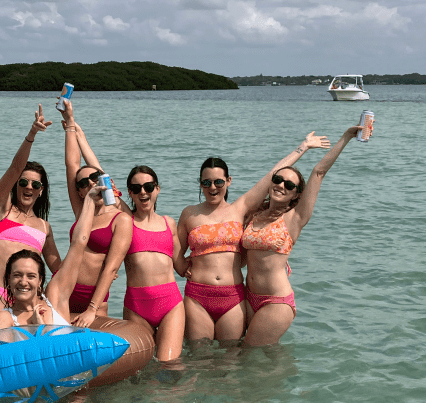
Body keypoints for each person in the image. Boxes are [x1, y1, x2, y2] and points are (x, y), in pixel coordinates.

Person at [177, 132, 330, 343]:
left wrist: (303, 147)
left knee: (231, 361)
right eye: (206, 182)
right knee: (198, 356)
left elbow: (273, 176)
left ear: (228, 181)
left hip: (233, 296)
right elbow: (175, 252)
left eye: (219, 181)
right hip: (197, 295)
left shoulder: (241, 208)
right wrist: (181, 267)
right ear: (200, 184)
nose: (213, 187)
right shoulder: (189, 214)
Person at [242, 122, 371, 346]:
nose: (281, 185)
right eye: (277, 180)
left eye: (289, 185)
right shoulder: (254, 215)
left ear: (295, 194)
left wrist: (346, 137)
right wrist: (303, 146)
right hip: (248, 296)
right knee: (262, 357)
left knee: (246, 354)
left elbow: (319, 172)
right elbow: (272, 171)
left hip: (276, 301)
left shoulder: (294, 218)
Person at [0, 184, 105, 343]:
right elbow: (7, 360)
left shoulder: (55, 298)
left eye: (30, 276)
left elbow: (79, 243)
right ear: (9, 281)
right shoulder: (4, 319)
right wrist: (39, 329)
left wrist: (89, 200)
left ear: (40, 280)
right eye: (17, 275)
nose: (23, 281)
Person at [0, 104, 61, 318]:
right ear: (16, 184)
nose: (28, 187)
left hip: (31, 298)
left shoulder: (44, 227)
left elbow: (60, 270)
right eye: (23, 182)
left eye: (35, 185)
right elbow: (14, 168)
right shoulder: (1, 210)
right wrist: (31, 134)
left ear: (41, 191)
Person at [58, 98, 132, 327]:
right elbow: (72, 165)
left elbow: (111, 268)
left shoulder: (120, 218)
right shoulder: (83, 210)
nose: (90, 184)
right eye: (83, 183)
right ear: (79, 191)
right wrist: (70, 124)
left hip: (95, 300)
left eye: (94, 179)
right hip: (63, 289)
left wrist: (92, 309)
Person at [122, 166, 187, 361]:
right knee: (138, 369)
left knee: (168, 366)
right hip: (136, 306)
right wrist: (77, 135)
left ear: (157, 189)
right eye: (137, 188)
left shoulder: (169, 223)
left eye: (148, 186)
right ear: (130, 193)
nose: (143, 191)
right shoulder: (126, 222)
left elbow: (181, 267)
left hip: (170, 305)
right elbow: (105, 181)